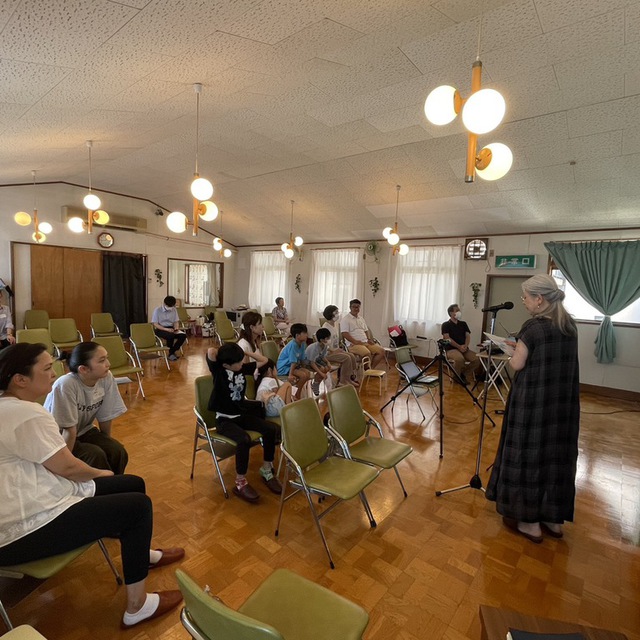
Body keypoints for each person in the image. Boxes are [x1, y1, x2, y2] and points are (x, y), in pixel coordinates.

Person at [0, 343, 185, 629]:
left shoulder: (11, 406)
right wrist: (101, 473)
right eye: (47, 368)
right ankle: (137, 606)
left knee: (134, 483)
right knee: (138, 506)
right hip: (21, 528)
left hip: (33, 495)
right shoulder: (26, 414)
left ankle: (138, 551)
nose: (55, 373)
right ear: (20, 379)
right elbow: (68, 466)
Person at [486, 274, 580, 543]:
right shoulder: (570, 325)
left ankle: (529, 522)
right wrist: (522, 348)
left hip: (534, 405)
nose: (524, 302)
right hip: (561, 406)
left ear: (539, 299)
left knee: (529, 456)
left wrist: (510, 350)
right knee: (555, 458)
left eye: (525, 297)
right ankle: (553, 519)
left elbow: (517, 365)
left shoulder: (533, 327)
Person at [206, 343, 282, 503]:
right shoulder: (219, 371)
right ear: (226, 364)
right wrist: (223, 355)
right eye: (239, 362)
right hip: (224, 420)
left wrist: (243, 352)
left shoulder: (240, 368)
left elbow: (264, 360)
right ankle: (240, 482)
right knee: (243, 440)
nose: (242, 364)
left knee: (270, 429)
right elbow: (211, 351)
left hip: (240, 415)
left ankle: (267, 470)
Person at [44, 342, 129, 474]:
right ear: (83, 369)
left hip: (84, 430)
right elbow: (69, 430)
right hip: (59, 436)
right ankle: (98, 491)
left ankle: (114, 487)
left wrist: (107, 441)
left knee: (117, 451)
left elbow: (105, 416)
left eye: (107, 358)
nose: (108, 364)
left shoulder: (106, 377)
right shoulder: (67, 384)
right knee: (95, 455)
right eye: (102, 361)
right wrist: (66, 465)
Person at [441, 303, 480, 384]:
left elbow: (467, 336)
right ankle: (457, 377)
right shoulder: (445, 325)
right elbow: (447, 339)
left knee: (477, 359)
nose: (459, 312)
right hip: (451, 349)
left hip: (464, 348)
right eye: (457, 310)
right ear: (451, 313)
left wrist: (465, 345)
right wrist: (459, 347)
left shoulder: (463, 324)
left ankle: (461, 375)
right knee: (459, 359)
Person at [340, 299, 385, 369]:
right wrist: (355, 341)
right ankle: (366, 371)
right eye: (354, 307)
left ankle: (371, 369)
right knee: (366, 353)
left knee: (381, 351)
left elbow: (366, 330)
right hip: (353, 344)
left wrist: (369, 339)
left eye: (358, 307)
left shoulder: (361, 318)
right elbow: (344, 333)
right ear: (350, 307)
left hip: (365, 342)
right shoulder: (345, 319)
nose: (356, 309)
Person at [322, 305, 359, 387]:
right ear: (330, 314)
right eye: (335, 313)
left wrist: (339, 349)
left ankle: (349, 378)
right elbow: (323, 346)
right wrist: (333, 351)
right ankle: (343, 381)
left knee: (351, 356)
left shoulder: (335, 325)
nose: (337, 314)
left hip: (335, 350)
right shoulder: (325, 328)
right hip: (327, 353)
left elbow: (336, 341)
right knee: (346, 358)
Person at [276, 323, 311, 400]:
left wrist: (304, 368)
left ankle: (298, 392)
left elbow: (302, 359)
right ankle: (296, 395)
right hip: (285, 367)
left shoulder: (302, 344)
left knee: (307, 373)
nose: (306, 335)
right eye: (304, 333)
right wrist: (290, 375)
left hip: (293, 367)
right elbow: (293, 362)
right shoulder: (293, 345)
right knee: (303, 375)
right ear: (298, 335)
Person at [151, 296, 187, 361]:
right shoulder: (157, 310)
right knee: (170, 335)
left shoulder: (174, 309)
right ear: (164, 303)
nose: (170, 308)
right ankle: (171, 354)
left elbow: (176, 321)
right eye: (169, 306)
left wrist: (176, 327)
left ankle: (172, 351)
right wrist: (166, 329)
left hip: (171, 328)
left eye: (172, 306)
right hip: (161, 329)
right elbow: (155, 324)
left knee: (183, 335)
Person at [304, 327, 333, 397]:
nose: (329, 340)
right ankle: (316, 384)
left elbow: (322, 356)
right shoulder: (314, 348)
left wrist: (328, 362)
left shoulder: (325, 346)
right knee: (322, 369)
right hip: (307, 362)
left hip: (317, 360)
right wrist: (321, 373)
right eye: (327, 338)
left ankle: (318, 382)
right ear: (322, 340)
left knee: (327, 368)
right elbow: (312, 362)